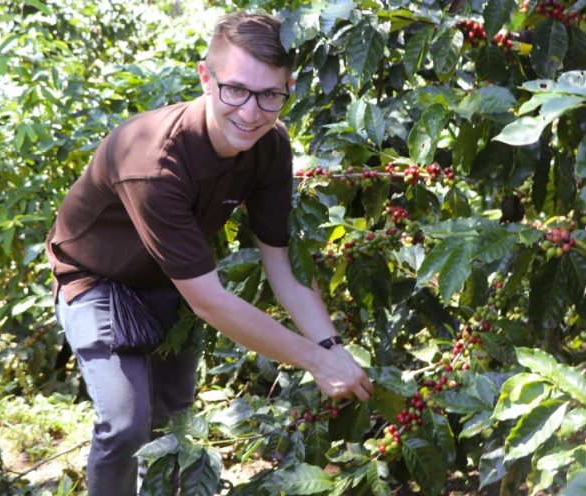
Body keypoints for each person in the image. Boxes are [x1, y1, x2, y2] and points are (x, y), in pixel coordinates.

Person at [46, 11, 374, 495]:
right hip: (98, 278)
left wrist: (331, 348)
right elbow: (210, 301)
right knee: (125, 422)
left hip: (171, 277)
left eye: (270, 95)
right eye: (235, 90)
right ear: (206, 77)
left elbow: (280, 263)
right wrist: (314, 362)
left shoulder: (269, 145)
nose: (250, 111)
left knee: (174, 421)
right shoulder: (155, 164)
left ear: (288, 90)